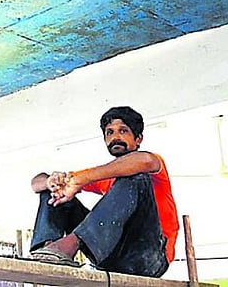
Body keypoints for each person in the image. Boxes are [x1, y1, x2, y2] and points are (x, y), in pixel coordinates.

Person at [29, 106, 178, 277]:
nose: (115, 137)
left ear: (138, 139)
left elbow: (145, 160)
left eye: (123, 131)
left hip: (149, 257)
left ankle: (71, 243)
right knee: (53, 189)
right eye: (109, 132)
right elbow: (36, 182)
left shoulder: (150, 165)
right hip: (111, 256)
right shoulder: (104, 174)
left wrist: (80, 179)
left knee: (136, 178)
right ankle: (47, 250)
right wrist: (51, 182)